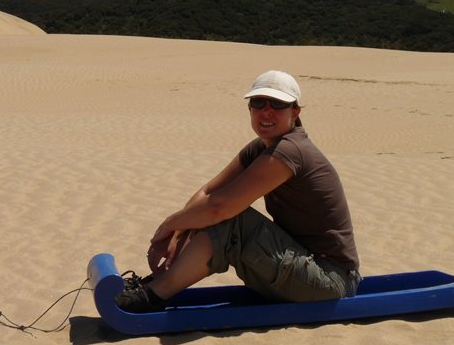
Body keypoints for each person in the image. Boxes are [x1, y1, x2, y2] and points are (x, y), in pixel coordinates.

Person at [116, 70, 361, 313]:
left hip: (330, 281)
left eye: (278, 104)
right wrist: (179, 232)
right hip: (304, 268)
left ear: (295, 112)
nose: (266, 111)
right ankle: (158, 283)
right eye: (259, 102)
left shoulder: (290, 150)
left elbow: (218, 208)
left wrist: (169, 225)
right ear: (250, 108)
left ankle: (153, 295)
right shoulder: (261, 148)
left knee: (229, 217)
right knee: (203, 214)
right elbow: (209, 191)